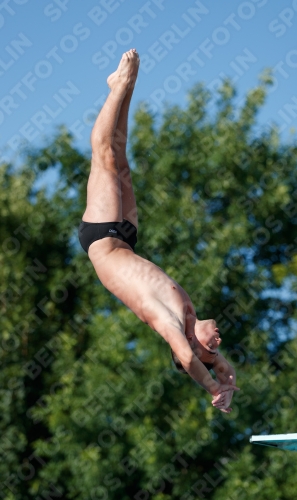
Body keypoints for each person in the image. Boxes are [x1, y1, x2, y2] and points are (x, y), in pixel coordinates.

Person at [78, 49, 239, 413]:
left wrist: (213, 385)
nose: (218, 340)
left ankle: (119, 86)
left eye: (212, 348)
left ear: (195, 348)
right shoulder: (189, 316)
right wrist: (224, 367)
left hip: (103, 239)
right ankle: (127, 85)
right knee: (120, 157)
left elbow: (186, 357)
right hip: (125, 239)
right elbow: (208, 354)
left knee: (103, 153)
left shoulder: (169, 324)